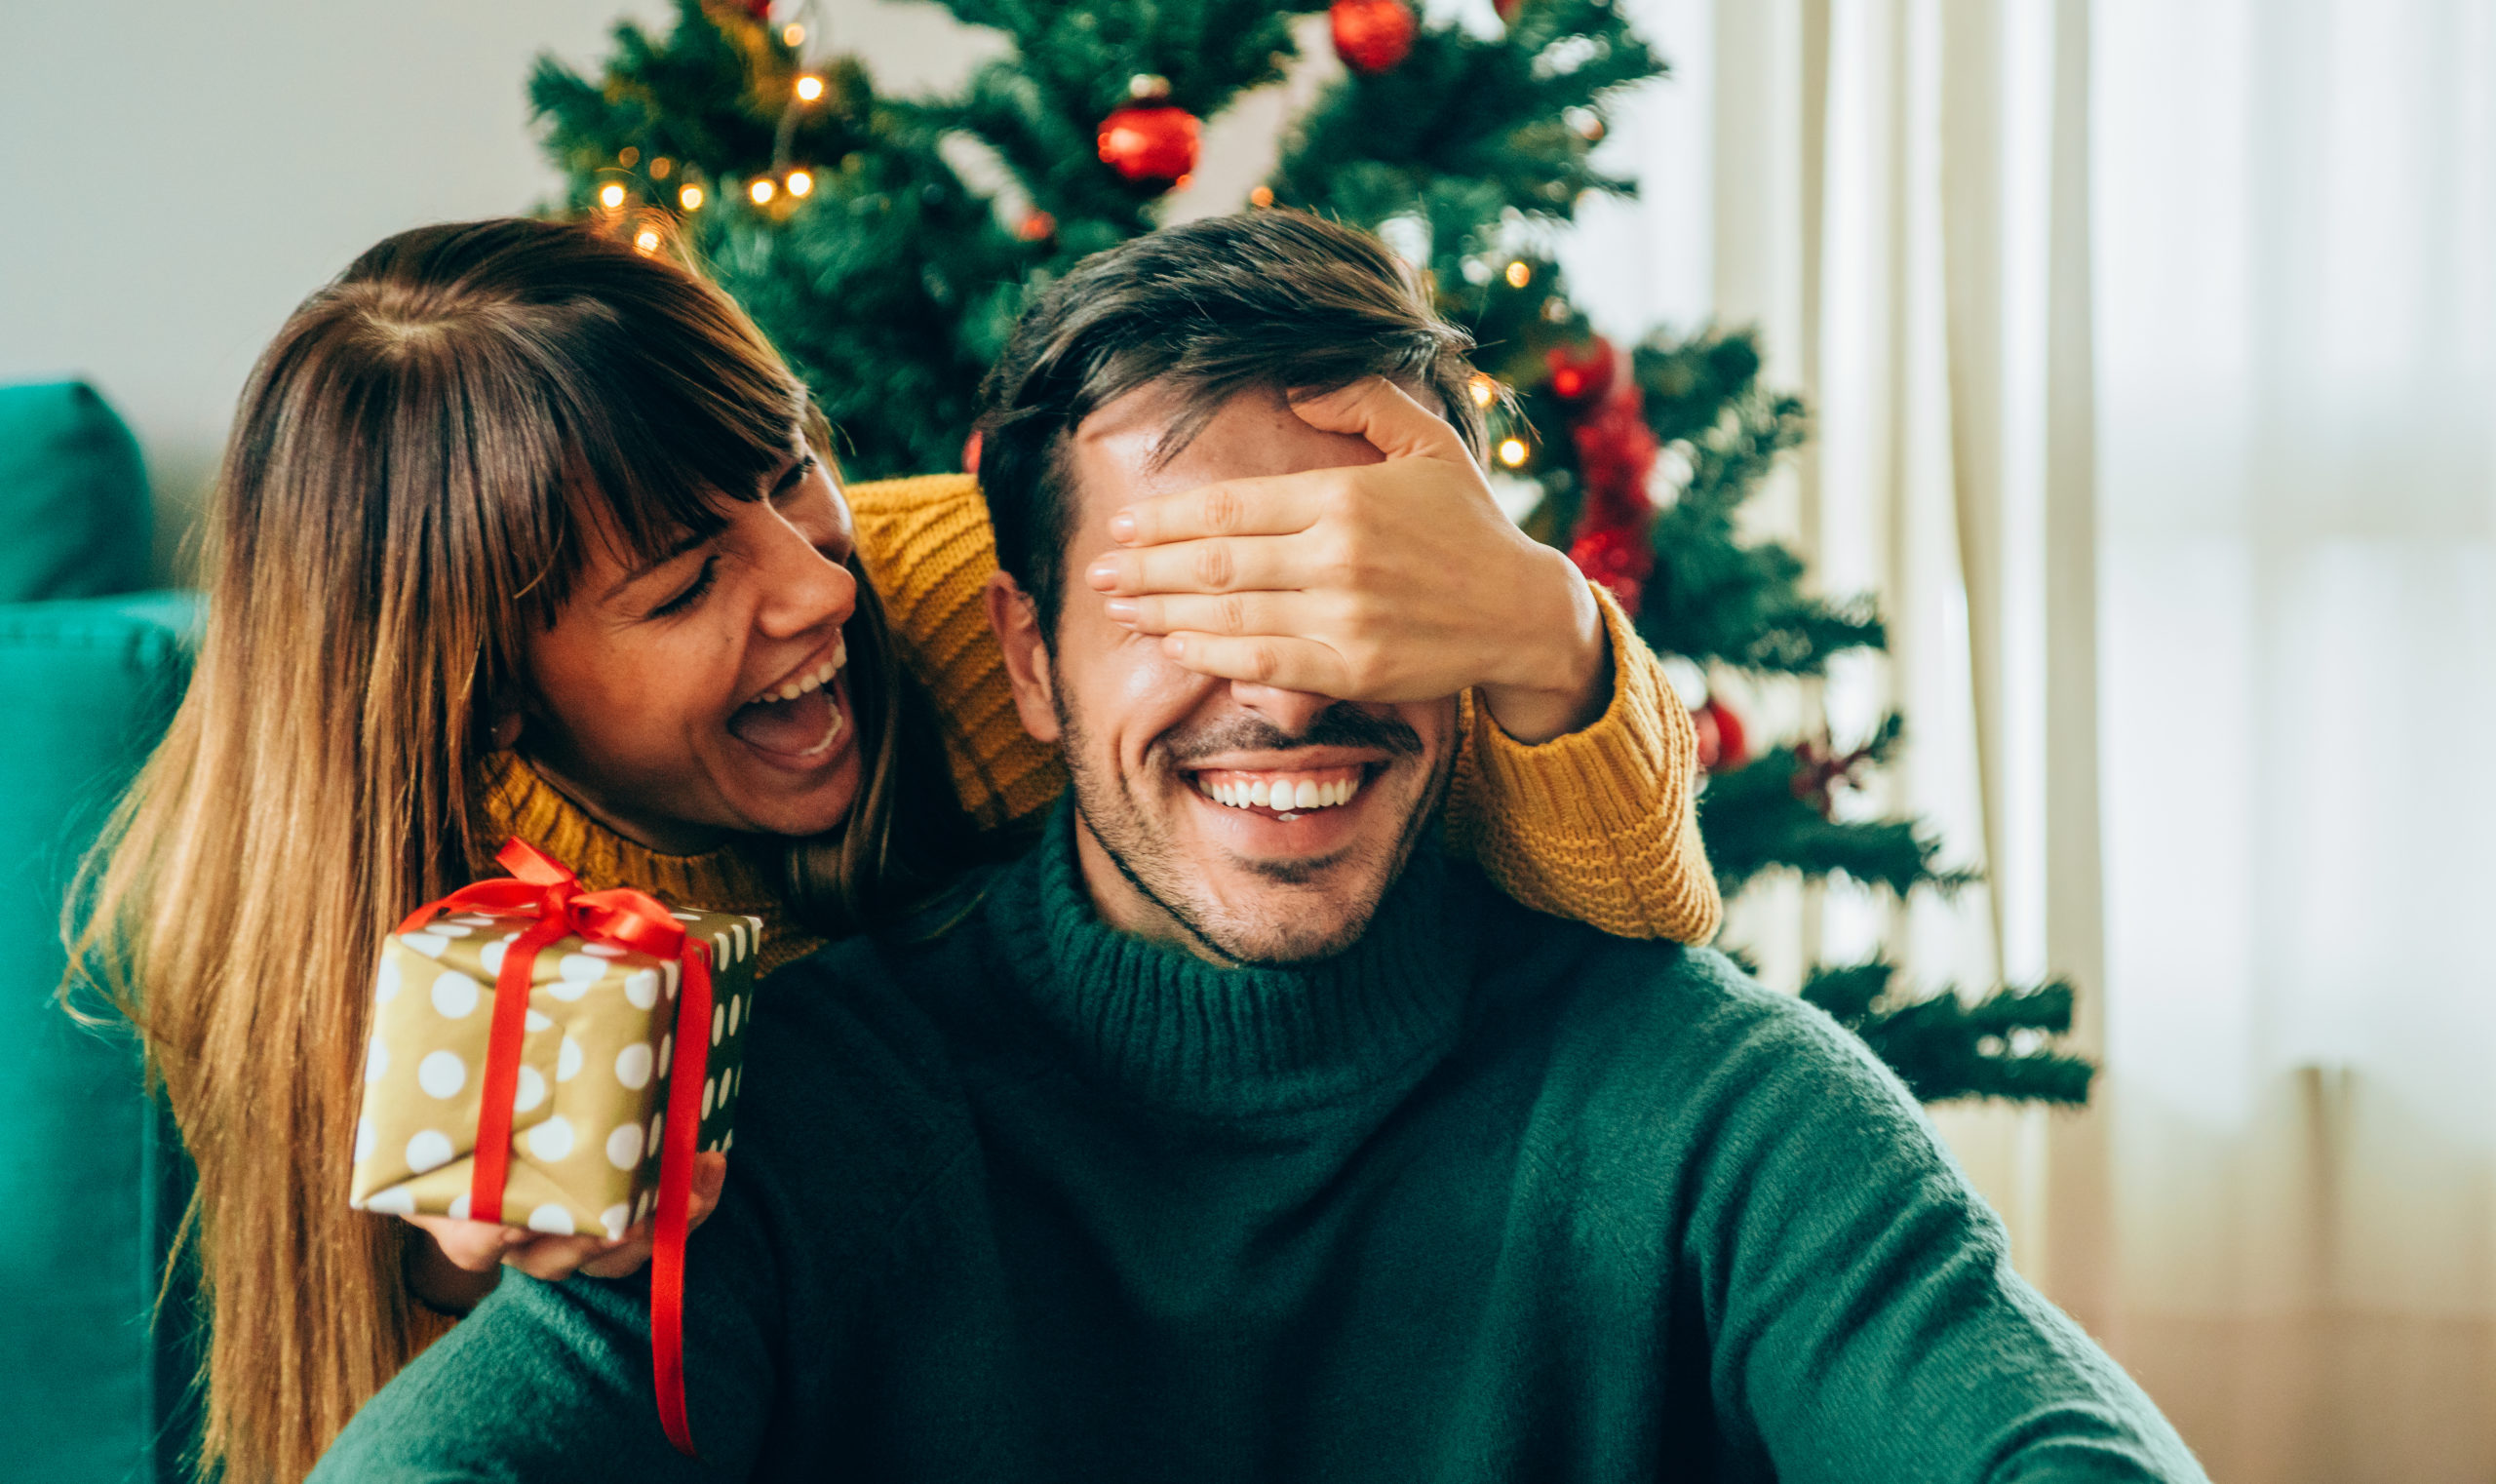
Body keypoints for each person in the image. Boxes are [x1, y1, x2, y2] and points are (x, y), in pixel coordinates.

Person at [311, 212, 2208, 1482]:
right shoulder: (796, 1118)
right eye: (1179, 601)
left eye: (1344, 596)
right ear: (1026, 660)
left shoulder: (1705, 1103)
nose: (1279, 692)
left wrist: (1550, 637)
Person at [73, 216, 1722, 1484]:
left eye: (792, 474)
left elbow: (1631, 918)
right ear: (494, 707)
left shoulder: (989, 605)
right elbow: (408, 1411)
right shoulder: (373, 949)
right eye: (679, 587)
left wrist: (1544, 618)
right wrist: (458, 1277)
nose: (811, 590)